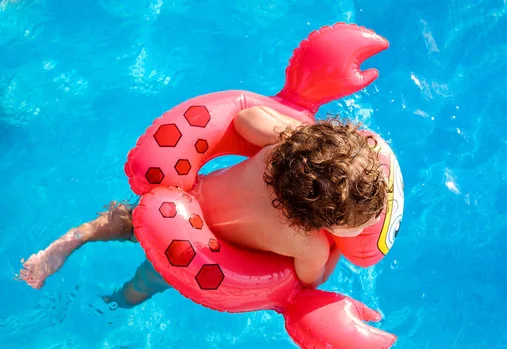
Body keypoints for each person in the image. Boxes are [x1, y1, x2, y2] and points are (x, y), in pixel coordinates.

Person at [19, 106, 389, 308]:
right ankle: (115, 303)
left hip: (176, 203)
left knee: (122, 221)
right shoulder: (309, 243)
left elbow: (246, 118)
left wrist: (294, 132)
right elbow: (311, 279)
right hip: (191, 249)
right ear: (322, 222)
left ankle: (66, 244)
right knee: (148, 281)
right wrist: (339, 249)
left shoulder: (277, 148)